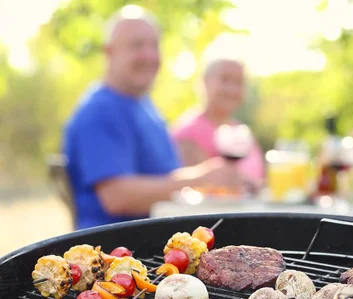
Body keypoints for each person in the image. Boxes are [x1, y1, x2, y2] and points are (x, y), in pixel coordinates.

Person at [63, 6, 245, 229]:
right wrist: (201, 177)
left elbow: (166, 179)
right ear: (109, 52)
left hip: (157, 236)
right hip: (117, 250)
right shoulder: (100, 111)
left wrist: (210, 177)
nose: (149, 55)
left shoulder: (145, 108)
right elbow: (117, 197)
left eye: (154, 45)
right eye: (137, 45)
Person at [171, 57, 264, 186]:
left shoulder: (240, 131)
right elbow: (203, 188)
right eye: (225, 79)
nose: (232, 89)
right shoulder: (188, 133)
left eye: (239, 82)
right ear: (205, 82)